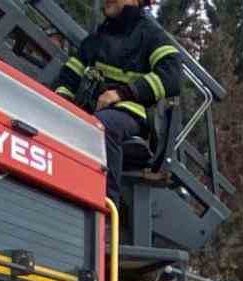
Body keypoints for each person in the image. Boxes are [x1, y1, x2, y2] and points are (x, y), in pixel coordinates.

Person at [54, 0, 182, 206]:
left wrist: (122, 93)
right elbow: (68, 77)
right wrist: (60, 105)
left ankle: (103, 209)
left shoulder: (150, 34)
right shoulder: (97, 38)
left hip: (132, 117)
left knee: (103, 127)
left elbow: (172, 76)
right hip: (95, 115)